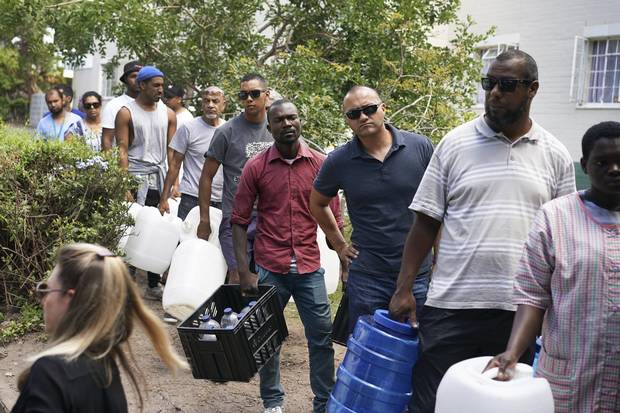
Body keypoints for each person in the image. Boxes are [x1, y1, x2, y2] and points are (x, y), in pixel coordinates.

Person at [388, 49, 576, 413]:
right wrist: (404, 288)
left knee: (502, 407)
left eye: (506, 85)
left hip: (519, 311)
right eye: (489, 83)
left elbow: (564, 238)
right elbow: (426, 222)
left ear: (532, 89)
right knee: (432, 403)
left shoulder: (555, 154)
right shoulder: (454, 144)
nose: (494, 92)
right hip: (452, 305)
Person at [485, 121, 620, 413]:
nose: (614, 170)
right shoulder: (556, 216)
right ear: (584, 165)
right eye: (602, 162)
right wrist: (513, 351)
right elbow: (533, 294)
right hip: (571, 374)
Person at [232, 100, 342, 413]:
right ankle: (272, 403)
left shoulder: (320, 164)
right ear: (270, 128)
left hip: (309, 266)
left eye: (292, 117)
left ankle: (323, 403)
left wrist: (344, 255)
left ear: (300, 121)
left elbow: (334, 215)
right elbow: (239, 221)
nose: (287, 124)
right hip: (270, 266)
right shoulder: (257, 166)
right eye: (279, 120)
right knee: (268, 338)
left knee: (321, 338)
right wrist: (243, 271)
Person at [310, 85, 434, 334]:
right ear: (347, 120)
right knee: (368, 351)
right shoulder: (339, 160)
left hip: (420, 274)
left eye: (369, 109)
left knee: (422, 351)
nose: (363, 117)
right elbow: (317, 203)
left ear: (383, 109)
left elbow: (438, 207)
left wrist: (441, 261)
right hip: (369, 276)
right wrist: (340, 244)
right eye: (354, 114)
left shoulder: (420, 147)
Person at [10, 243, 187, 413]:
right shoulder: (105, 368)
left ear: (69, 298)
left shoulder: (51, 374)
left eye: (45, 290)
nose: (43, 300)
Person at [197, 73, 272, 283]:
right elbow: (206, 176)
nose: (249, 99)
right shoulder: (226, 132)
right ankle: (230, 317)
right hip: (236, 219)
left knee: (267, 280)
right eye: (243, 94)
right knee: (238, 276)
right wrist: (204, 219)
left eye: (254, 94)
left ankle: (256, 316)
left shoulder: (278, 128)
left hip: (270, 219)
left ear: (266, 95)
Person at [115, 66, 176, 300]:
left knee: (157, 230)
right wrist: (123, 185)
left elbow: (172, 155)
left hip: (158, 179)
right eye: (155, 85)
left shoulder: (169, 114)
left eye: (162, 85)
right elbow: (121, 150)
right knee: (130, 229)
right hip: (133, 177)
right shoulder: (126, 112)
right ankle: (126, 284)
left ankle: (152, 284)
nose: (161, 89)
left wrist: (169, 190)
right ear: (141, 85)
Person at [159, 86, 227, 220]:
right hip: (191, 198)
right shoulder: (188, 128)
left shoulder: (228, 130)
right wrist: (164, 198)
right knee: (185, 239)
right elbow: (175, 165)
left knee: (215, 240)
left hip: (220, 199)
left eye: (215, 101)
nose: (210, 105)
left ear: (223, 104)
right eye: (206, 101)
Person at [101, 60, 143, 151]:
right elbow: (107, 140)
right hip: (124, 162)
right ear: (125, 80)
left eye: (140, 76)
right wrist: (110, 163)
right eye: (133, 76)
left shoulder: (156, 104)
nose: (137, 80)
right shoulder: (114, 105)